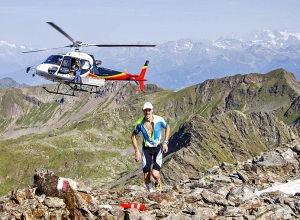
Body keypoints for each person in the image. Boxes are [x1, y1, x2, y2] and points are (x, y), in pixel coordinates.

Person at [131, 102, 170, 192]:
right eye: (145, 110)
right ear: (143, 111)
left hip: (157, 149)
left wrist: (165, 142)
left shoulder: (159, 120)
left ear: (152, 110)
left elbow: (167, 127)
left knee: (155, 173)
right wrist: (136, 151)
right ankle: (151, 193)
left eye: (149, 110)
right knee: (146, 175)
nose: (147, 112)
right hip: (146, 150)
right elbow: (133, 136)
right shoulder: (139, 123)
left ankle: (158, 182)